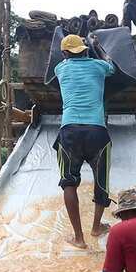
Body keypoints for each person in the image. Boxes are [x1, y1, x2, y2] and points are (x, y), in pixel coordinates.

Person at [53, 34, 115, 249]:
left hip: (69, 131)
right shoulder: (99, 66)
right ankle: (96, 227)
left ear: (64, 53)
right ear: (85, 49)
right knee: (101, 181)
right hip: (97, 131)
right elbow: (112, 66)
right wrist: (98, 47)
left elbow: (66, 61)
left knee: (69, 182)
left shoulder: (60, 69)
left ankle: (78, 238)